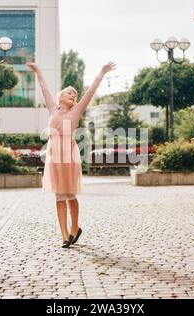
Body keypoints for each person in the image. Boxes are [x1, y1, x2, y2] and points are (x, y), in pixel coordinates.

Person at [26, 61, 116, 248]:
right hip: (54, 157)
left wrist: (101, 72)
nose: (73, 95)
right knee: (59, 197)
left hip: (69, 157)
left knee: (71, 196)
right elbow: (44, 90)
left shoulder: (76, 111)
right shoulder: (53, 108)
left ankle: (75, 228)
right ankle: (65, 236)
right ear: (60, 98)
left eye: (75, 94)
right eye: (69, 92)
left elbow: (90, 92)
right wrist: (38, 71)